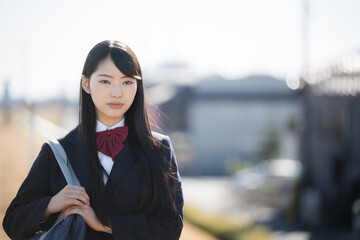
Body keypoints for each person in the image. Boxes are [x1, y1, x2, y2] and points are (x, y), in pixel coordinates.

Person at [2, 40, 184, 240]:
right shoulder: (58, 152)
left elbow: (171, 227)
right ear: (86, 84)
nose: (117, 92)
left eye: (127, 82)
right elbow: (13, 222)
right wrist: (51, 204)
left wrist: (107, 225)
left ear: (138, 86)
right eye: (105, 81)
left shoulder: (159, 149)